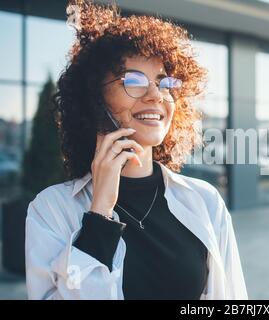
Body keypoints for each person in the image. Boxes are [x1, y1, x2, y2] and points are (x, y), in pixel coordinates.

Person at [25, 0, 247, 300]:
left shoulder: (205, 201)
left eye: (164, 82)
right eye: (134, 80)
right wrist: (100, 215)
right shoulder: (51, 210)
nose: (156, 95)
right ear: (95, 97)